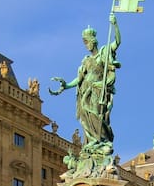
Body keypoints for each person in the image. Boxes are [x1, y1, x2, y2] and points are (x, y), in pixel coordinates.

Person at [49, 13, 121, 155]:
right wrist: (66, 86)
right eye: (85, 42)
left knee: (96, 114)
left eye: (88, 41)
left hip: (98, 90)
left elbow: (117, 42)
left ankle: (100, 141)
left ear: (93, 40)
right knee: (85, 117)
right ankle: (92, 143)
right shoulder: (86, 60)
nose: (87, 44)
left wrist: (115, 25)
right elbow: (80, 79)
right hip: (85, 92)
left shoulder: (103, 53)